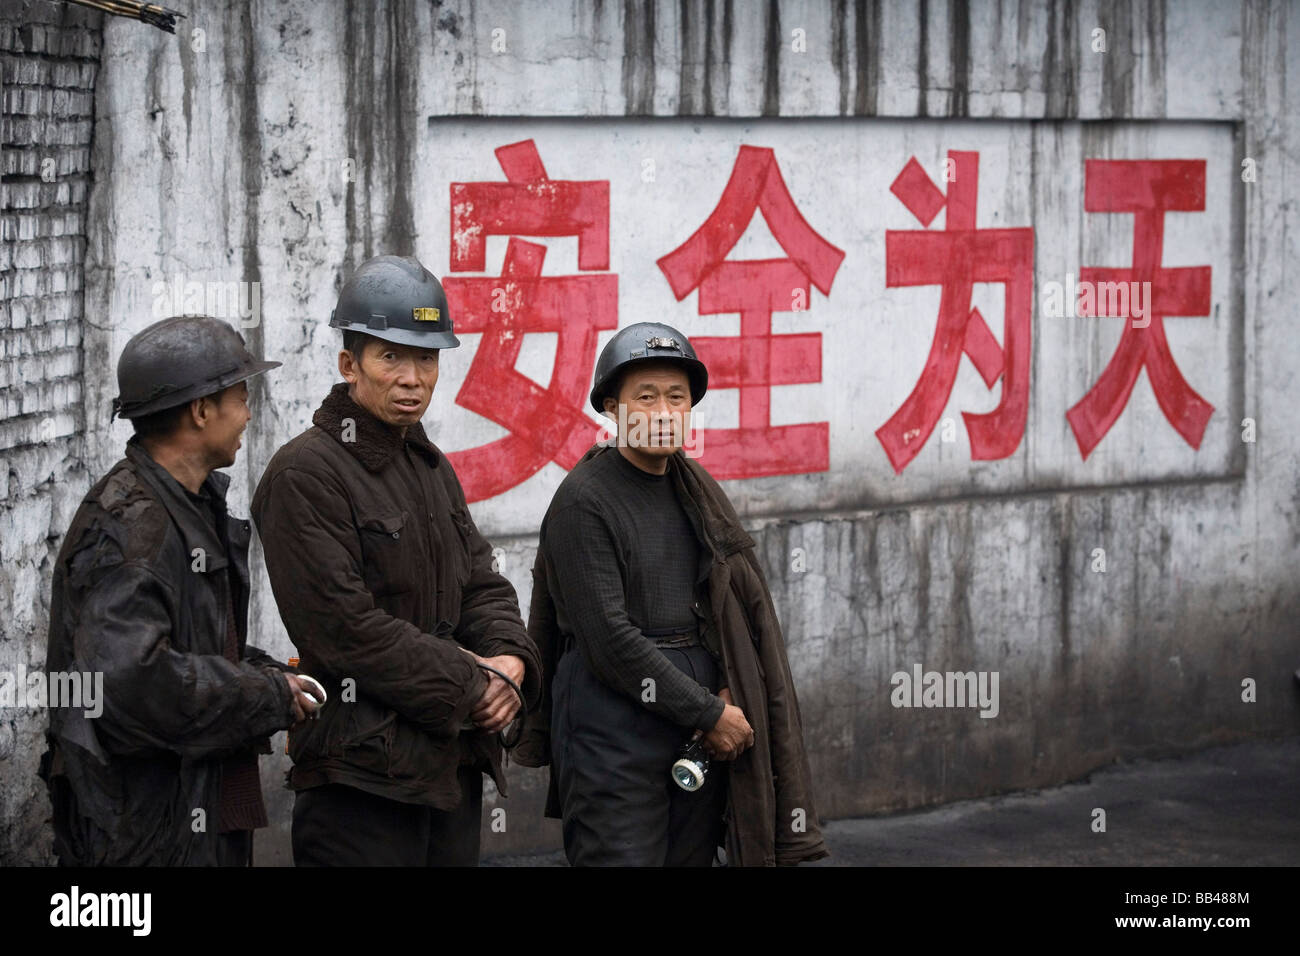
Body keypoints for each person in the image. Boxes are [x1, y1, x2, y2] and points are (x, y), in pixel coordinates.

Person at [251, 254, 540, 866]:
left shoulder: (428, 465)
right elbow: (345, 631)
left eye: (427, 358)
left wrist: (511, 664)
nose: (412, 377)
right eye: (391, 357)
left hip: (450, 767)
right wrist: (472, 683)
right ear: (348, 365)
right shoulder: (306, 473)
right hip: (361, 781)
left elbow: (482, 582)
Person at [517, 321, 829, 866]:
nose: (663, 412)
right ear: (611, 409)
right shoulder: (584, 504)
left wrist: (726, 690)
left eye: (676, 397)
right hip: (613, 728)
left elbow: (726, 612)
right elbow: (609, 640)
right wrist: (708, 711)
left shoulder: (696, 491)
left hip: (695, 728)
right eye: (646, 397)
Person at [40, 315, 319, 866]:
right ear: (200, 411)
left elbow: (199, 647)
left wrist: (269, 674)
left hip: (193, 816)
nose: (247, 413)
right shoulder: (131, 524)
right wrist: (265, 696)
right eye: (240, 396)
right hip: (144, 835)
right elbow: (132, 684)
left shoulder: (190, 505)